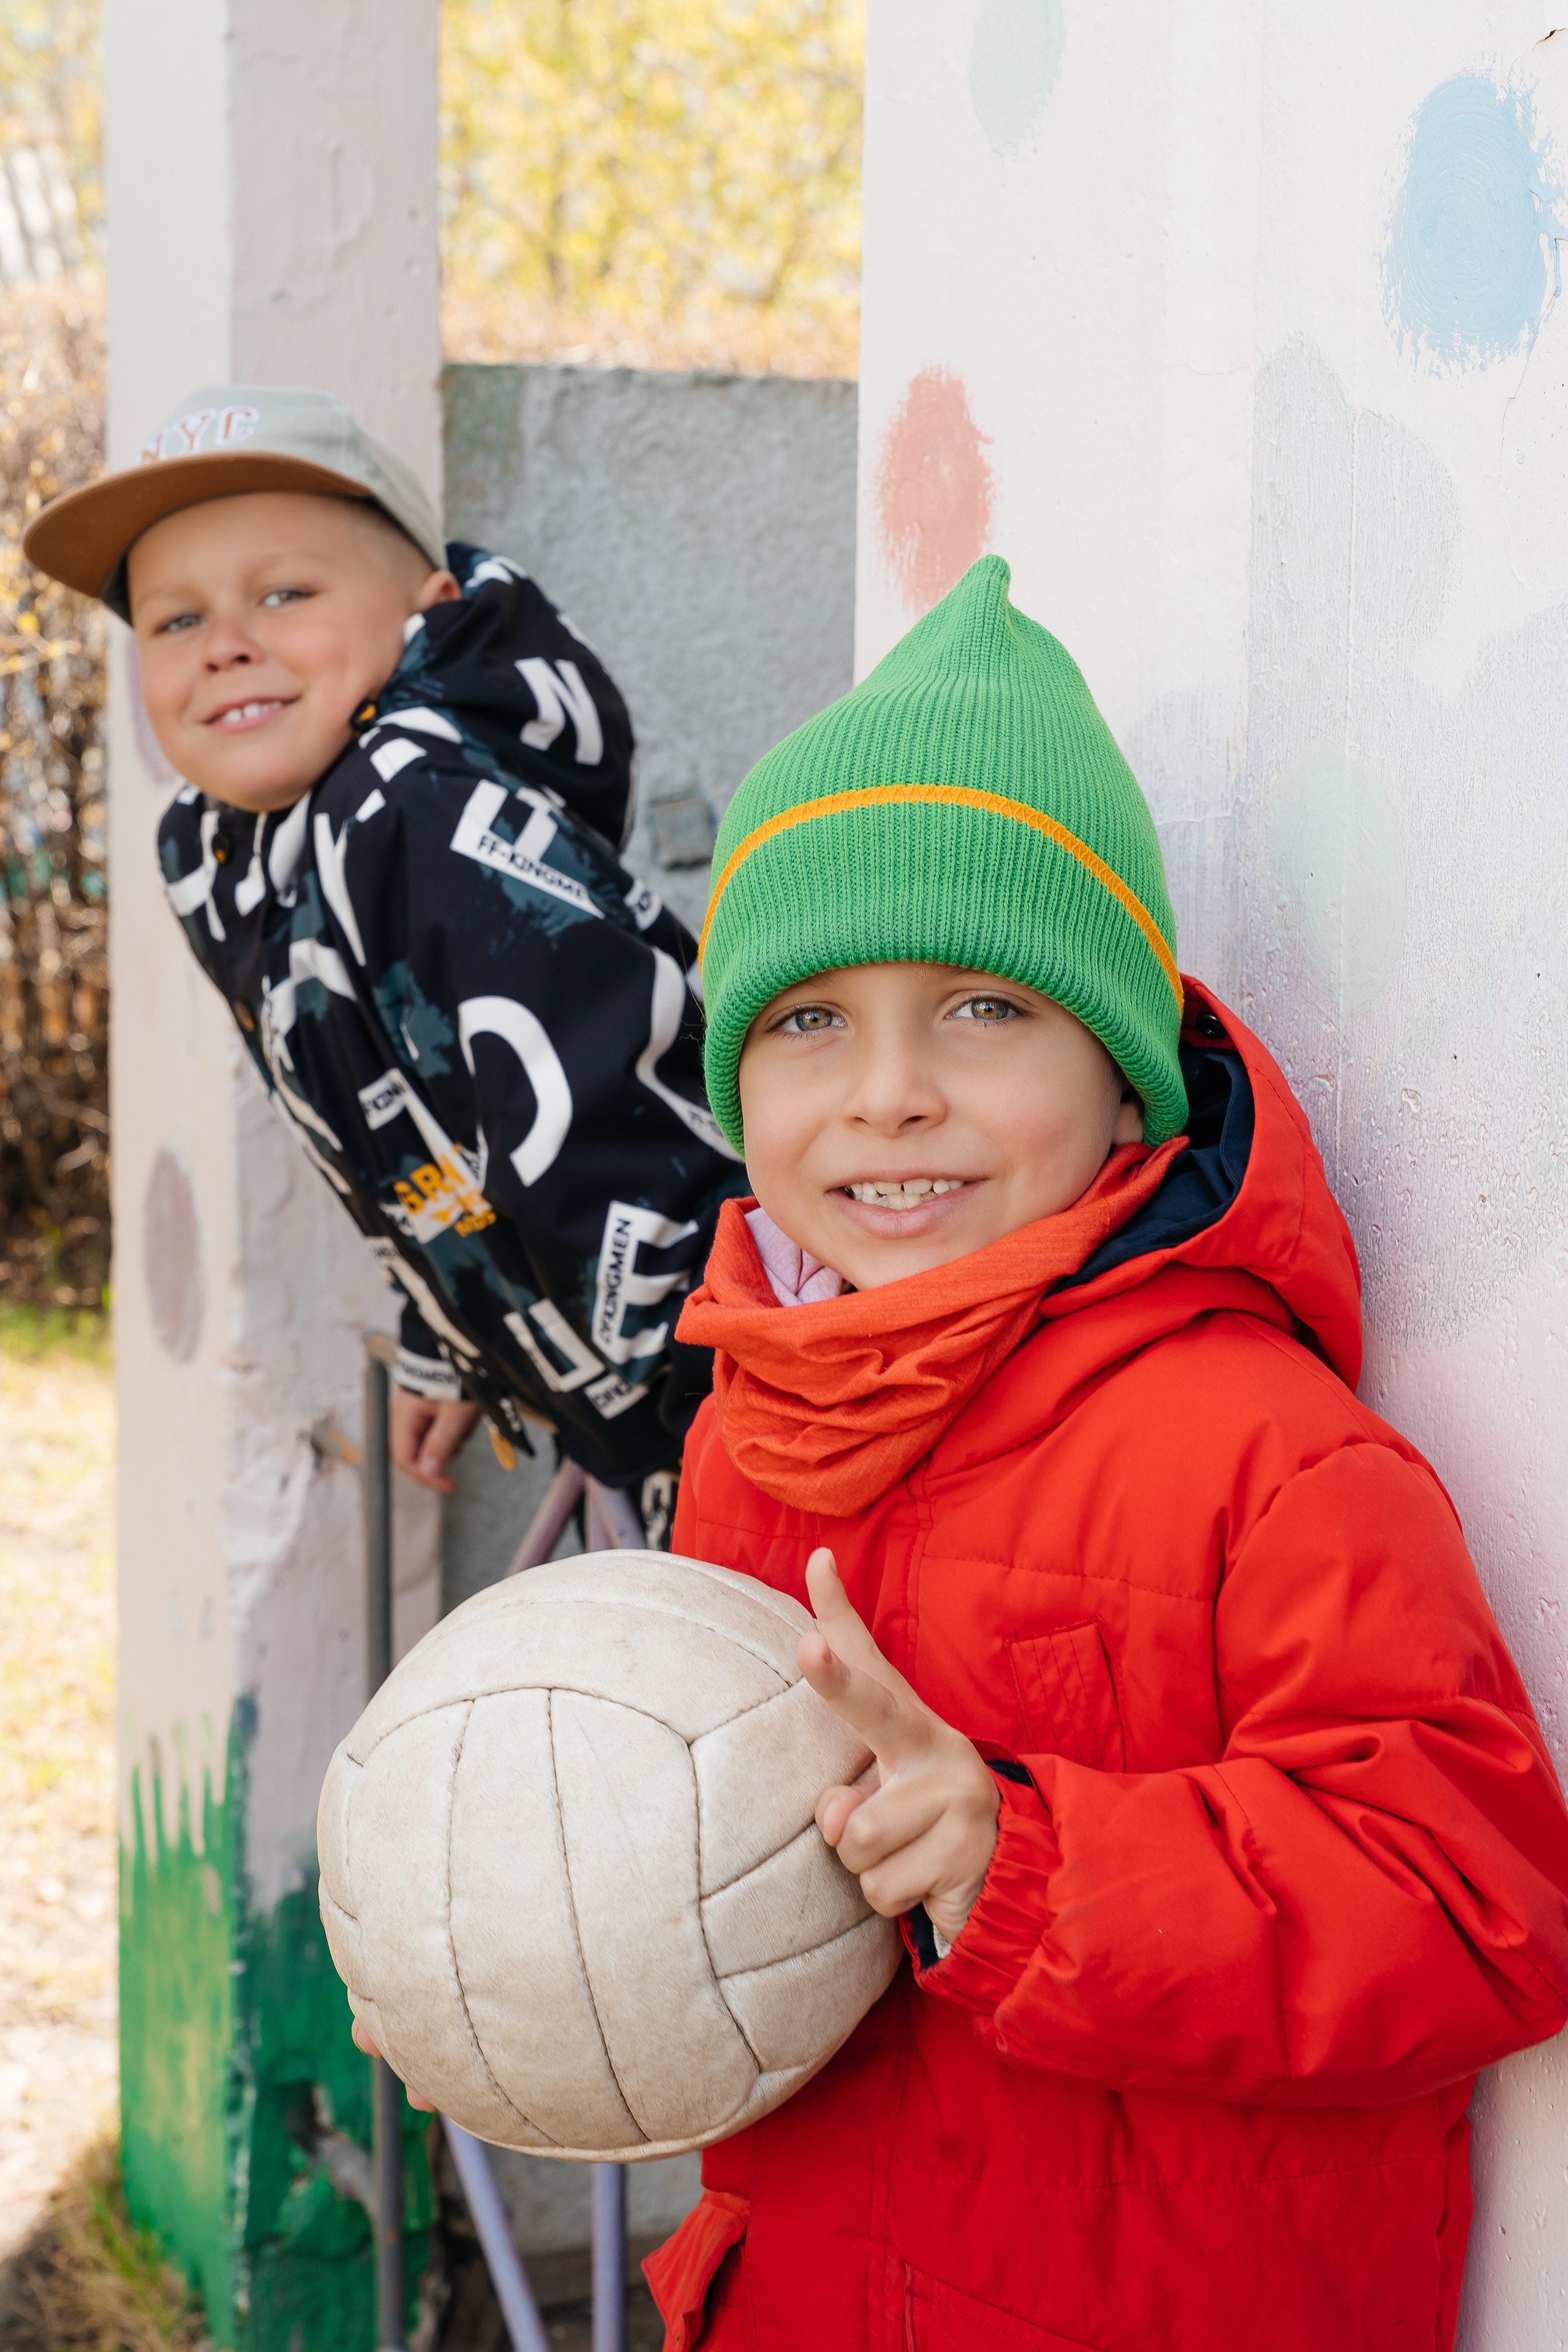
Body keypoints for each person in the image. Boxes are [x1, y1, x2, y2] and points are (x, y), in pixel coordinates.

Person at [644, 556, 1568, 2350]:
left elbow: (1475, 1905)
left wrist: (1027, 1864)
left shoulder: (1267, 1451)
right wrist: (506, 1926)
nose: (890, 1090)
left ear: (1129, 1077)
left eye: (987, 1008)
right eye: (809, 1018)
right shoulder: (753, 1426)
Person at [24, 385, 747, 1527]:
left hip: (742, 1407)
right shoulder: (241, 856)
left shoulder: (414, 803)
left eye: (285, 592)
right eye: (175, 620)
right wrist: (451, 1341)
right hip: (644, 1422)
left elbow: (606, 1105)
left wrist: (719, 1399)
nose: (226, 644)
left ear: (429, 607)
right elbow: (415, 1121)